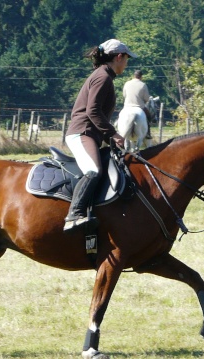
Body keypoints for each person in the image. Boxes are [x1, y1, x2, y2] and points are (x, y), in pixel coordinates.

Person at [63, 39, 135, 232]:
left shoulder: (104, 76)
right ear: (119, 57)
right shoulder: (102, 77)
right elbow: (93, 111)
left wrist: (108, 138)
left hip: (90, 133)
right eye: (127, 59)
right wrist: (113, 134)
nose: (127, 64)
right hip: (82, 132)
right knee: (93, 170)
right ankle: (74, 214)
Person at [123, 69, 154, 139]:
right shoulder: (143, 85)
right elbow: (146, 98)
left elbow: (124, 95)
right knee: (149, 117)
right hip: (139, 107)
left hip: (127, 106)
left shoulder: (127, 83)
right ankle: (148, 133)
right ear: (141, 77)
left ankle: (117, 128)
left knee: (120, 116)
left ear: (134, 76)